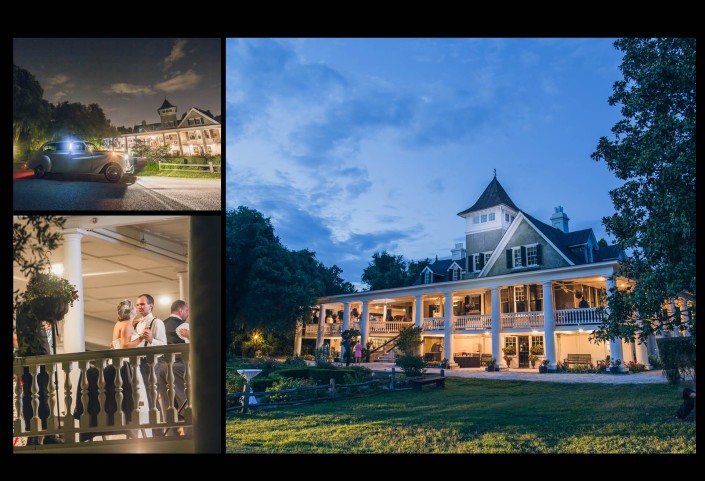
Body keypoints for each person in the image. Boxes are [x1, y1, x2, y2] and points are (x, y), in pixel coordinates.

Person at [15, 303, 64, 445]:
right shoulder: (32, 307)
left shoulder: (24, 308)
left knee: (33, 395)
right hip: (37, 356)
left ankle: (35, 434)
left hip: (30, 356)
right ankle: (43, 434)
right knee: (41, 395)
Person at [112, 299, 151, 437]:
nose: (137, 308)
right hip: (128, 365)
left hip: (118, 365)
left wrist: (136, 322)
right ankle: (140, 434)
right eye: (135, 307)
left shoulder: (120, 324)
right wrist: (140, 338)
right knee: (137, 398)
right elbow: (124, 345)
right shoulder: (127, 325)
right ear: (130, 311)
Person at [158, 299, 190, 436]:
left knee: (168, 402)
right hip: (178, 366)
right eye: (187, 310)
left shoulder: (161, 325)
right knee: (185, 398)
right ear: (181, 310)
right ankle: (189, 431)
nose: (188, 313)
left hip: (161, 367)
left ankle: (171, 433)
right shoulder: (183, 326)